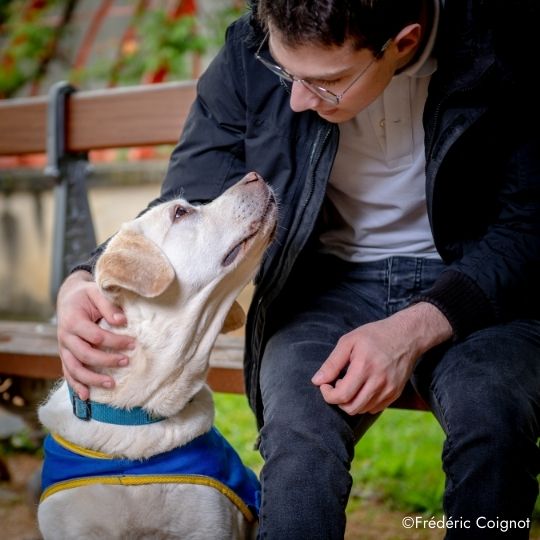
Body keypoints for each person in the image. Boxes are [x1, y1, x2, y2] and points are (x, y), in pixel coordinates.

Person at [56, 1, 540, 538]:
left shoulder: (507, 46)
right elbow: (192, 195)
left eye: (327, 82)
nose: (297, 99)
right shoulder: (251, 49)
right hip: (328, 284)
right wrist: (83, 278)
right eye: (287, 73)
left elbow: (530, 228)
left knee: (491, 418)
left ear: (403, 42)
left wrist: (413, 327)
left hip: (480, 282)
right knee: (297, 428)